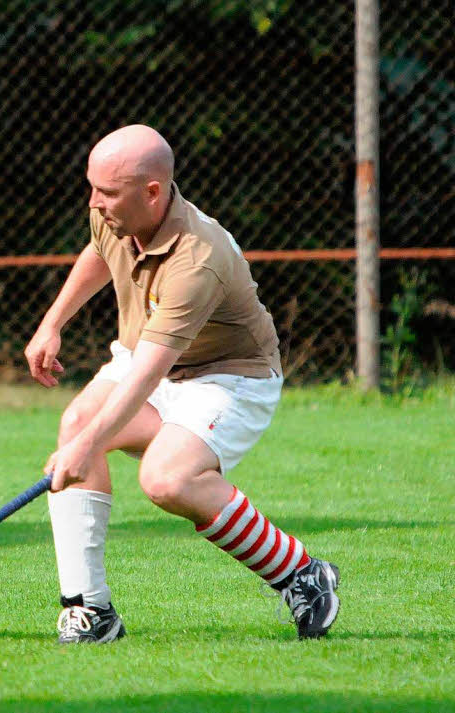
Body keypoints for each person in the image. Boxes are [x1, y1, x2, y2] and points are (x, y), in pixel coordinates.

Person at [24, 125, 340, 644]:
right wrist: (52, 322)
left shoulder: (199, 258)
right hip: (149, 356)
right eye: (92, 187)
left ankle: (301, 574)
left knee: (167, 479)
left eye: (107, 192)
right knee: (77, 422)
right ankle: (89, 610)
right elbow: (100, 251)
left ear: (153, 191)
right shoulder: (114, 209)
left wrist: (87, 445)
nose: (94, 202)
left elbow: (149, 368)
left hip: (227, 377)